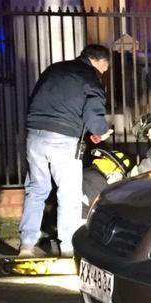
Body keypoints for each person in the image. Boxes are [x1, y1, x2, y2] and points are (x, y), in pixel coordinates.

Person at [18, 44, 111, 257]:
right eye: (104, 70)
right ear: (100, 62)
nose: (103, 74)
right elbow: (94, 115)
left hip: (35, 134)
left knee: (36, 189)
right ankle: (68, 247)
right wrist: (101, 132)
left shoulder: (54, 69)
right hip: (63, 139)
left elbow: (37, 98)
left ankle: (26, 244)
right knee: (68, 194)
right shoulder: (90, 78)